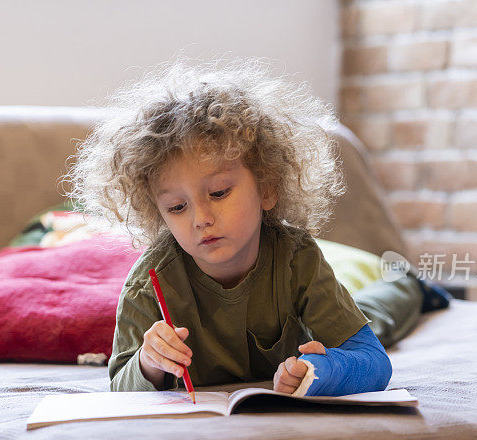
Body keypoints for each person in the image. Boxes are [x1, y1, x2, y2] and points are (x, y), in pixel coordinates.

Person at [69, 58, 392, 396]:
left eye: (219, 192)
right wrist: (148, 363)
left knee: (385, 310)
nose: (200, 218)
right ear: (158, 213)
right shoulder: (148, 285)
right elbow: (119, 390)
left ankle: (413, 287)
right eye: (177, 207)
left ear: (266, 187)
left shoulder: (296, 257)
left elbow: (374, 361)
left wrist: (319, 370)